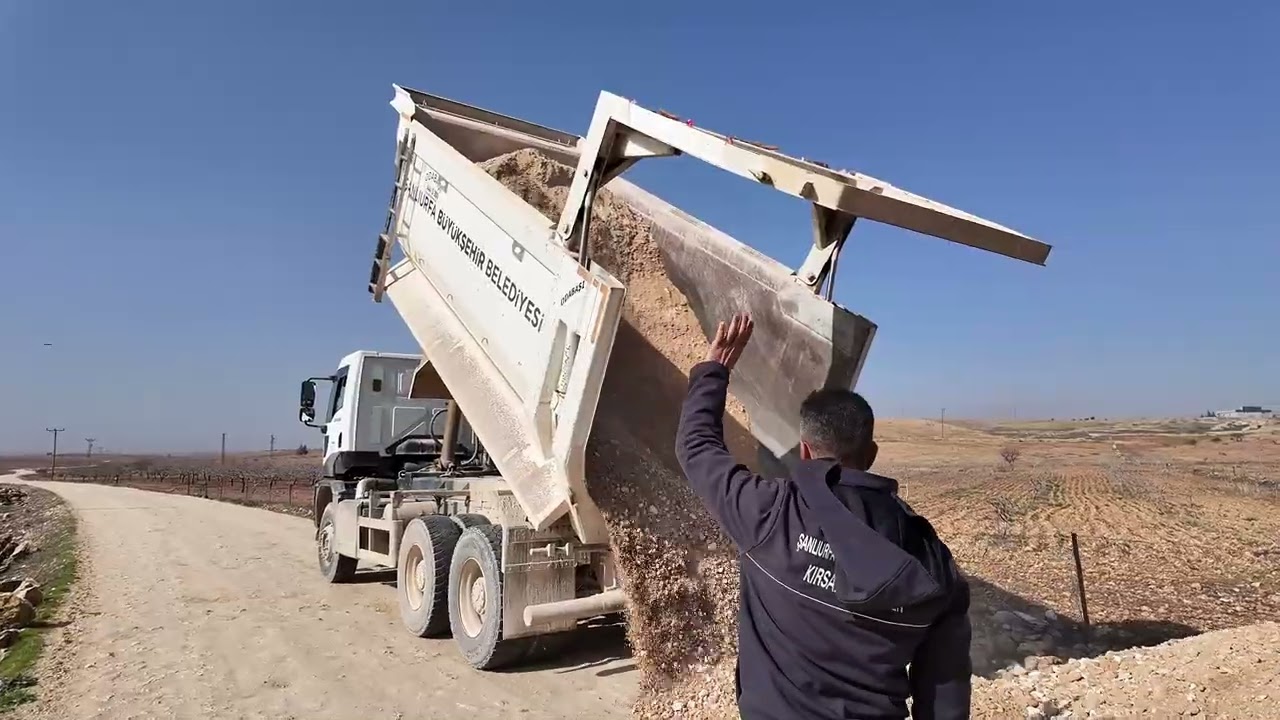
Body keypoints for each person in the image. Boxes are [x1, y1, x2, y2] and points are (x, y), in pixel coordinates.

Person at [676, 312, 972, 720]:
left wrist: (715, 369)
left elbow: (696, 448)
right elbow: (945, 693)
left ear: (805, 450)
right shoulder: (931, 560)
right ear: (871, 456)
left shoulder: (770, 514)